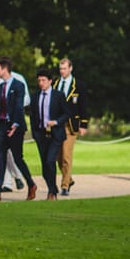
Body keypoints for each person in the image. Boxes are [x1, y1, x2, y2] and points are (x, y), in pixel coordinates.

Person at [0, 56, 35, 201]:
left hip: (15, 126)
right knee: (1, 158)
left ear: (4, 69)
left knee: (18, 158)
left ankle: (31, 184)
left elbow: (19, 106)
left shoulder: (19, 85)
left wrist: (15, 125)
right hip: (2, 125)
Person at [27, 67, 70, 200]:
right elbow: (32, 115)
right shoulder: (34, 96)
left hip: (55, 134)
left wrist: (56, 122)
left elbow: (67, 113)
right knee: (45, 167)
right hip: (40, 134)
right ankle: (53, 187)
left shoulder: (58, 95)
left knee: (50, 161)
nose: (41, 83)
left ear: (50, 81)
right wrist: (34, 132)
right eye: (39, 80)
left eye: (43, 80)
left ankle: (52, 192)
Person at [54, 57, 87, 196]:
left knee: (67, 156)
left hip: (71, 125)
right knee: (57, 157)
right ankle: (69, 178)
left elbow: (83, 105)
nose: (62, 71)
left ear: (70, 68)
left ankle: (65, 186)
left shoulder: (78, 85)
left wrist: (83, 124)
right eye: (61, 69)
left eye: (65, 68)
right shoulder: (55, 84)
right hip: (57, 124)